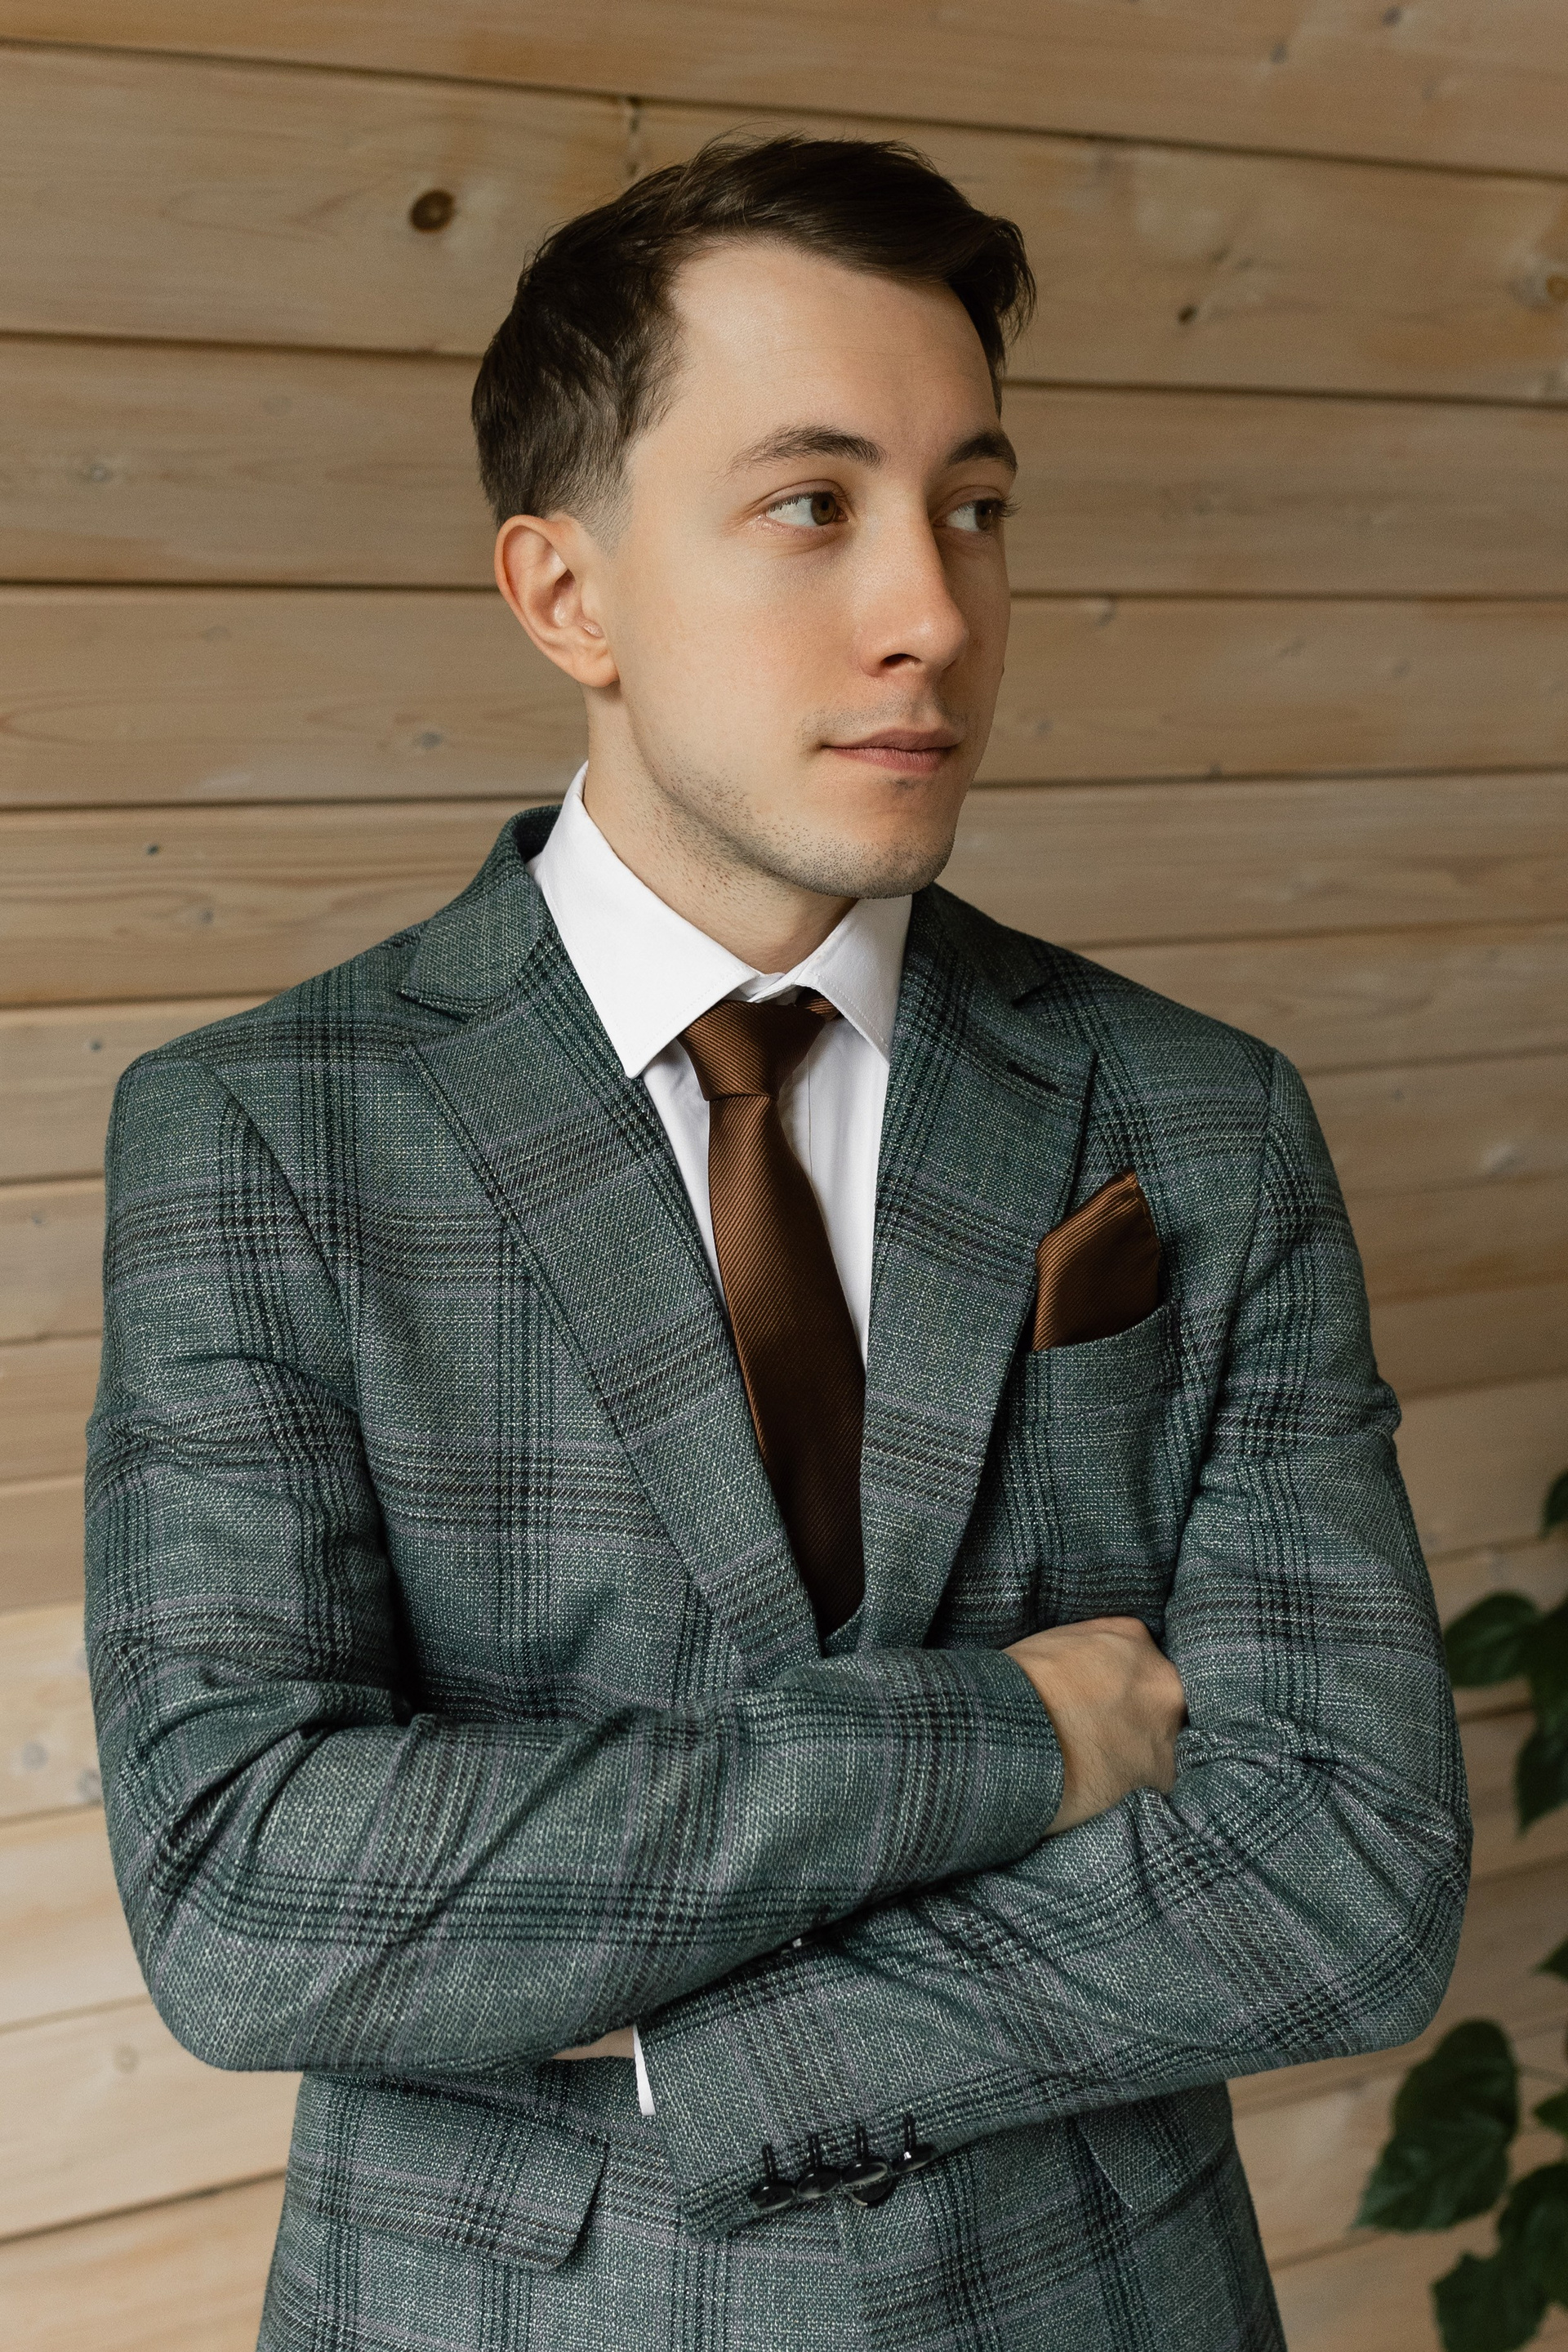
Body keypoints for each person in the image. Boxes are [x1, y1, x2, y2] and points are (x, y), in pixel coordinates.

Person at [87, 136, 1469, 2352]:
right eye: (814, 504)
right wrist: (1012, 1737)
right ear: (568, 595)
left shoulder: (1198, 1115)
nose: (935, 609)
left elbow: (1350, 1868)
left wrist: (700, 2050)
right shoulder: (264, 1135)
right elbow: (253, 1897)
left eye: (975, 506)